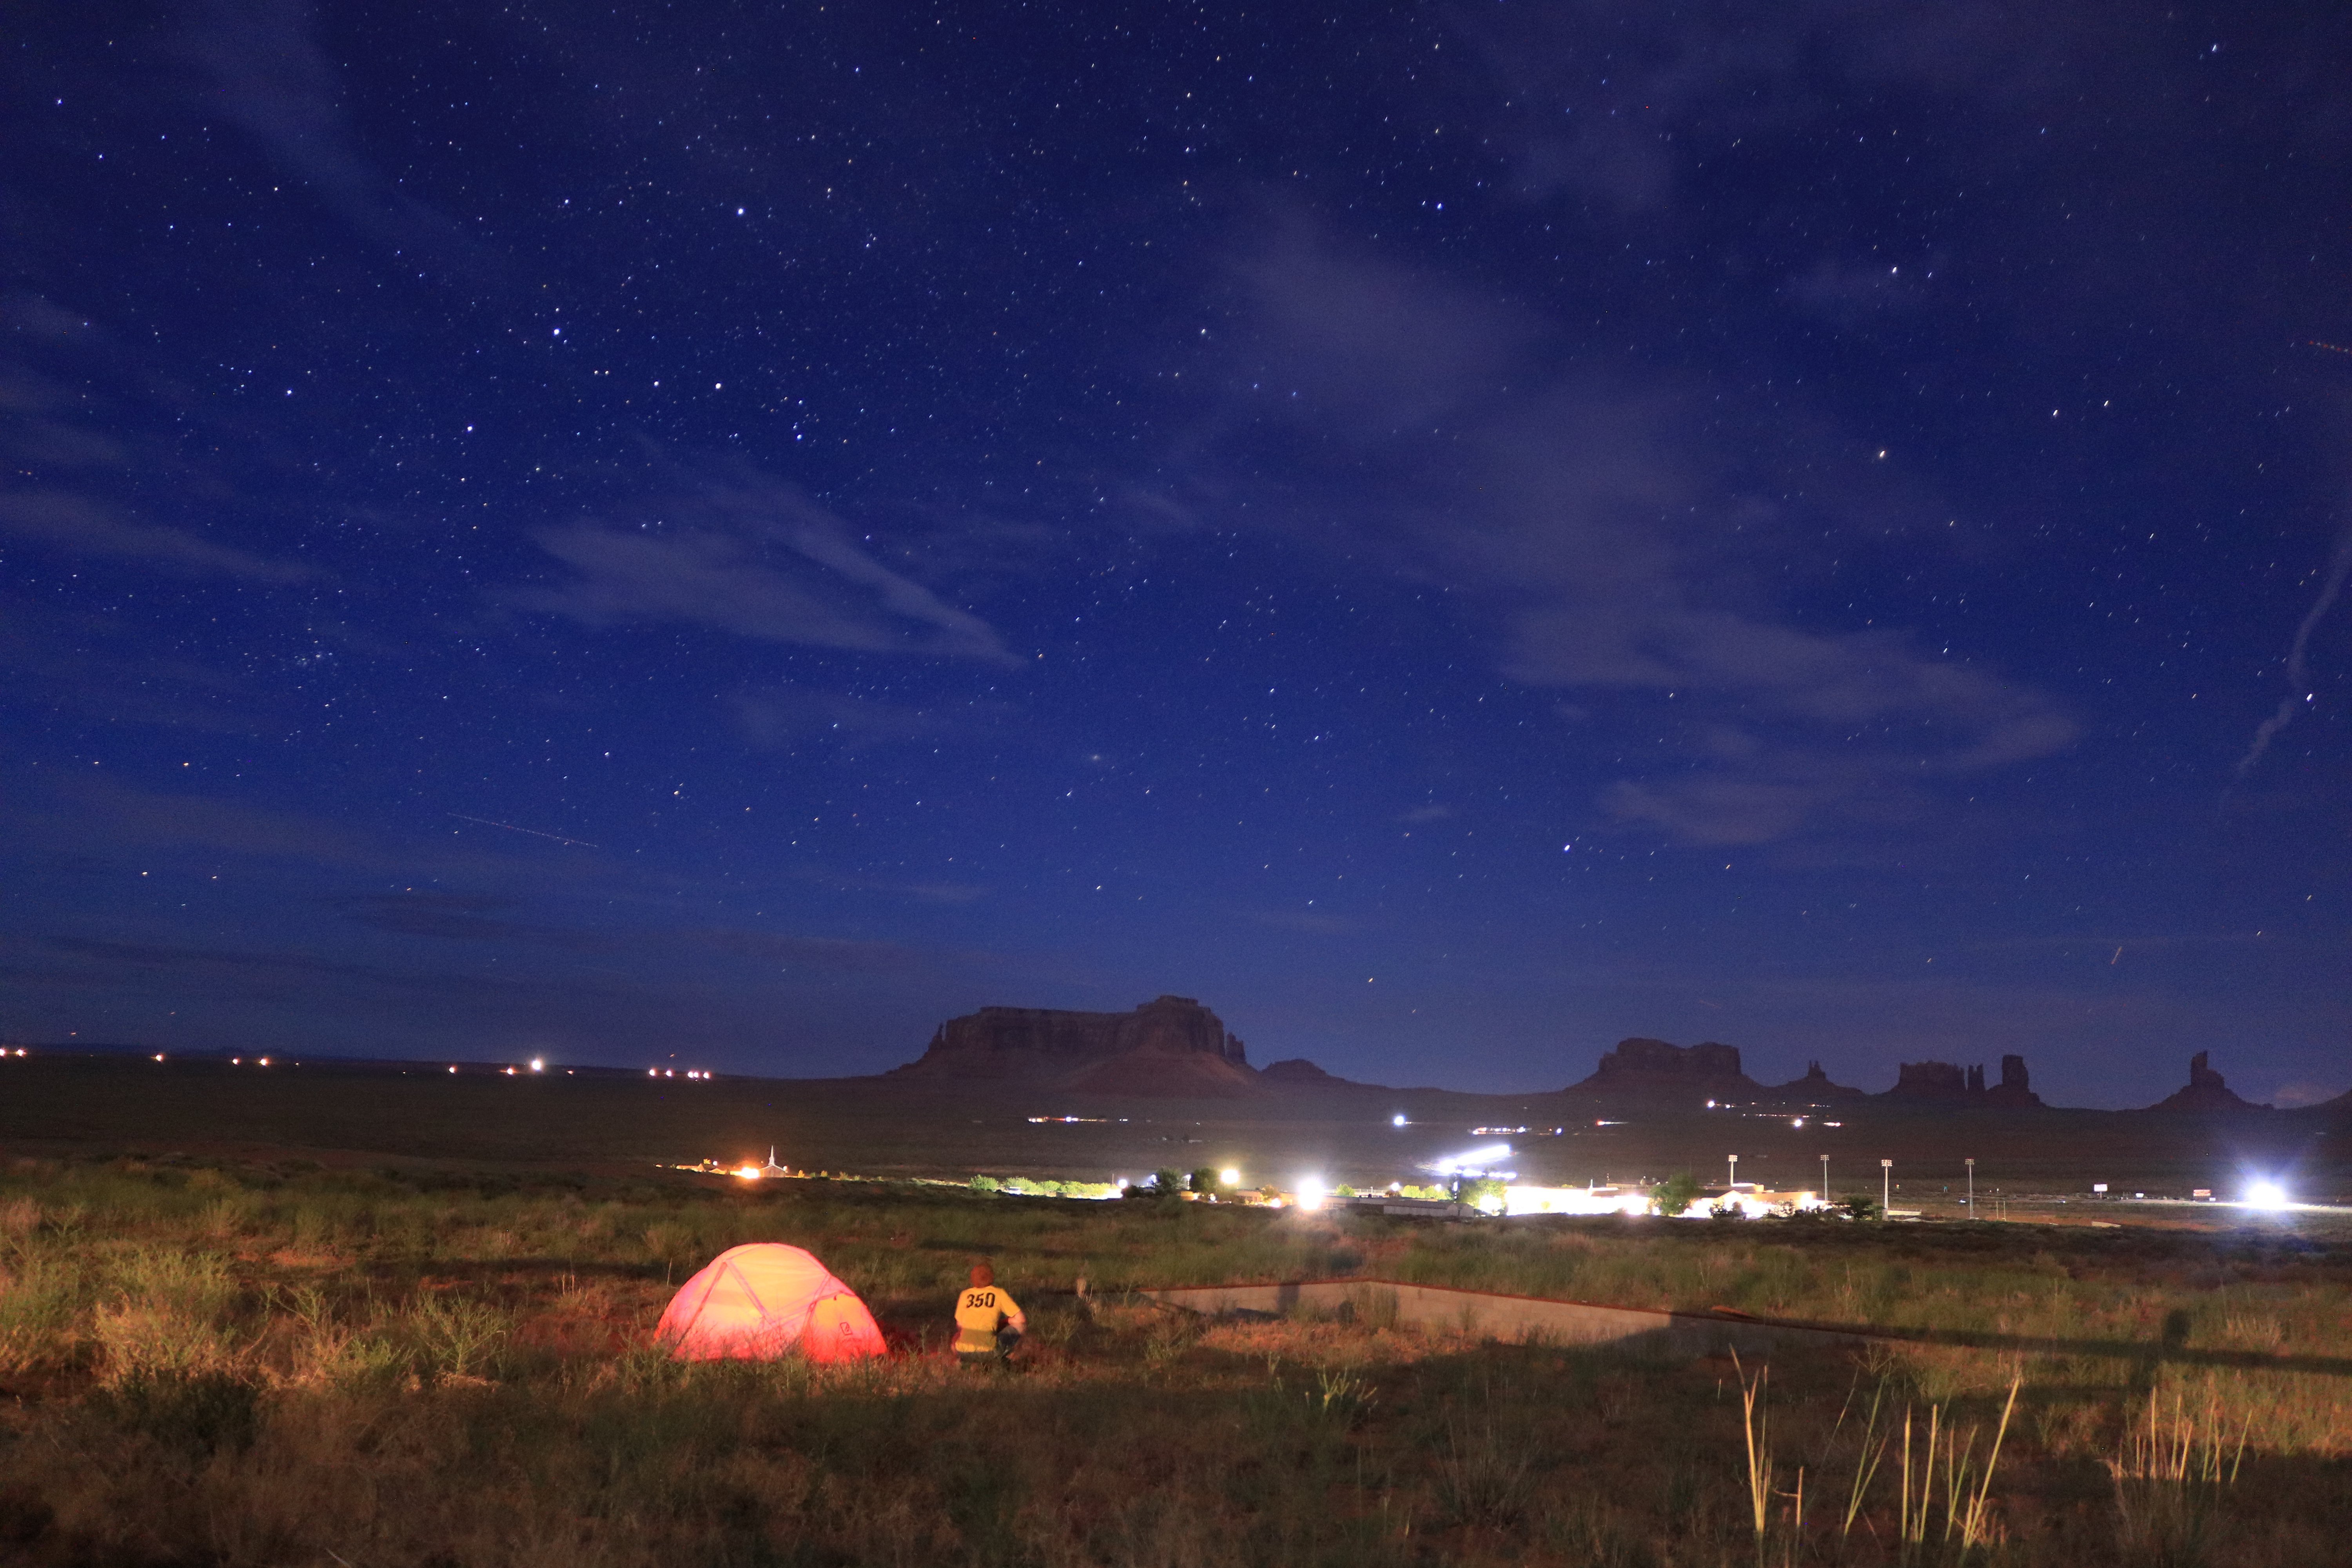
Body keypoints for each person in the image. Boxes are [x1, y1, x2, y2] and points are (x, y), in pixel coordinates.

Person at [953, 1263, 1026, 1368]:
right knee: (1020, 1326)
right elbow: (1021, 1319)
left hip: (962, 1352)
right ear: (992, 1277)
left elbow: (960, 1325)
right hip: (989, 1352)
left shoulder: (965, 1295)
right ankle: (1002, 1360)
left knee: (958, 1335)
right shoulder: (999, 1293)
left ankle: (965, 1363)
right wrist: (1006, 1322)